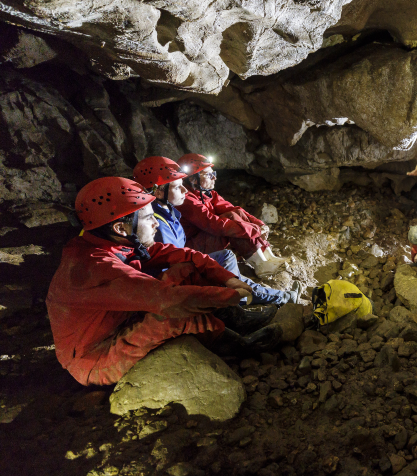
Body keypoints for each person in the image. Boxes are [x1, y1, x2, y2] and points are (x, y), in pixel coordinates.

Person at [46, 177, 282, 386]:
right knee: (174, 316)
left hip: (121, 318)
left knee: (187, 269)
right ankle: (243, 346)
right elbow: (170, 301)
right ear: (120, 227)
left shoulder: (117, 245)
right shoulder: (94, 268)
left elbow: (188, 256)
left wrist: (228, 280)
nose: (156, 223)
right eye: (149, 218)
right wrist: (231, 297)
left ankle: (239, 320)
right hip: (96, 355)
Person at [133, 156, 299, 306]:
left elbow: (231, 209)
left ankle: (279, 292)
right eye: (178, 186)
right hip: (177, 278)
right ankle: (238, 303)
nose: (184, 190)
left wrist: (257, 225)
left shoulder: (170, 210)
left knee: (230, 267)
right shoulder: (158, 223)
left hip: (184, 263)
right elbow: (211, 227)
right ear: (158, 191)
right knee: (228, 268)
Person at [176, 153, 287, 278]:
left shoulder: (205, 193)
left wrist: (259, 224)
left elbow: (233, 209)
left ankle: (267, 256)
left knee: (235, 214)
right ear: (193, 179)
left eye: (214, 173)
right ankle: (260, 264)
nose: (214, 178)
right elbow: (214, 224)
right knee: (230, 223)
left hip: (203, 238)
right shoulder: (186, 199)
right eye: (209, 175)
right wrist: (254, 230)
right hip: (191, 249)